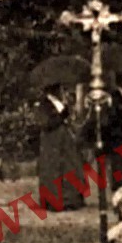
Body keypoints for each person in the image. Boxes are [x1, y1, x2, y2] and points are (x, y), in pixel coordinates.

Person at [36, 83, 83, 211]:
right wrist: (61, 115)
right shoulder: (44, 104)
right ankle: (52, 201)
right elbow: (46, 123)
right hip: (52, 142)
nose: (60, 90)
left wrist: (66, 111)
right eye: (58, 88)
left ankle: (70, 200)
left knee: (69, 167)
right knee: (53, 170)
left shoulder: (59, 102)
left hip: (64, 141)